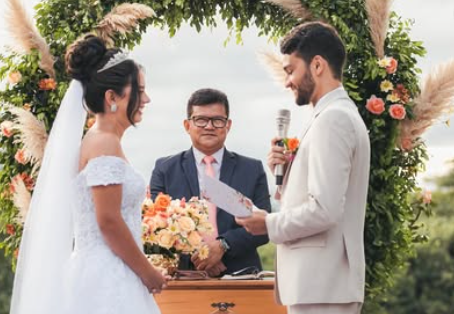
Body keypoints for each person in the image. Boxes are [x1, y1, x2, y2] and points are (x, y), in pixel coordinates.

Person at [10, 34, 166, 314]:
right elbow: (108, 221)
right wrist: (148, 272)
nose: (146, 99)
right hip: (108, 278)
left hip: (106, 270)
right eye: (139, 91)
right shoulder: (104, 143)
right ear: (111, 97)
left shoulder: (100, 140)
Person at [236, 22, 370, 314]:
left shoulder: (333, 119)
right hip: (321, 284)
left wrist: (268, 224)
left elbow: (325, 209)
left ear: (318, 65)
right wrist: (285, 174)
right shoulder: (332, 115)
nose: (287, 82)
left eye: (290, 70)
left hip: (324, 284)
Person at [150, 88, 271, 277]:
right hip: (183, 276)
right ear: (187, 125)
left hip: (242, 276)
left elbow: (265, 227)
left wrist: (223, 245)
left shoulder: (251, 169)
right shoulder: (165, 169)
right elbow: (156, 225)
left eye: (217, 120)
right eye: (201, 120)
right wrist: (202, 254)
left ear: (228, 125)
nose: (209, 126)